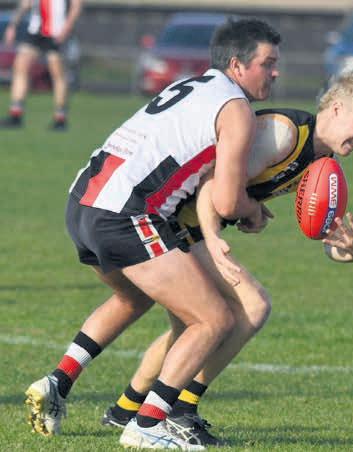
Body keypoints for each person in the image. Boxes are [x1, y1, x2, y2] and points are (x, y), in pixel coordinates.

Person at [24, 18, 281, 450]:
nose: (275, 72)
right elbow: (228, 201)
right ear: (237, 65)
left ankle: (57, 383)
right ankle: (147, 423)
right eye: (268, 63)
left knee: (134, 297)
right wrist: (253, 211)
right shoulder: (236, 108)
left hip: (82, 201)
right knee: (214, 318)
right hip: (124, 213)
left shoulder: (192, 85)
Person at [97, 71, 353, 446]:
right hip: (173, 220)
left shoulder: (323, 164)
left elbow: (326, 241)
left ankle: (126, 408)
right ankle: (181, 409)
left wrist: (352, 251)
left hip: (193, 228)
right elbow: (211, 184)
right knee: (251, 306)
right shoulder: (283, 135)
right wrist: (216, 235)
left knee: (191, 329)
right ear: (336, 109)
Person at [1, 0, 83, 130]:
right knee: (20, 66)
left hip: (57, 32)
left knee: (57, 73)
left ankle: (60, 118)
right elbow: (26, 3)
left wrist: (67, 29)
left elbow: (76, 6)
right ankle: (15, 114)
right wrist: (13, 25)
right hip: (35, 30)